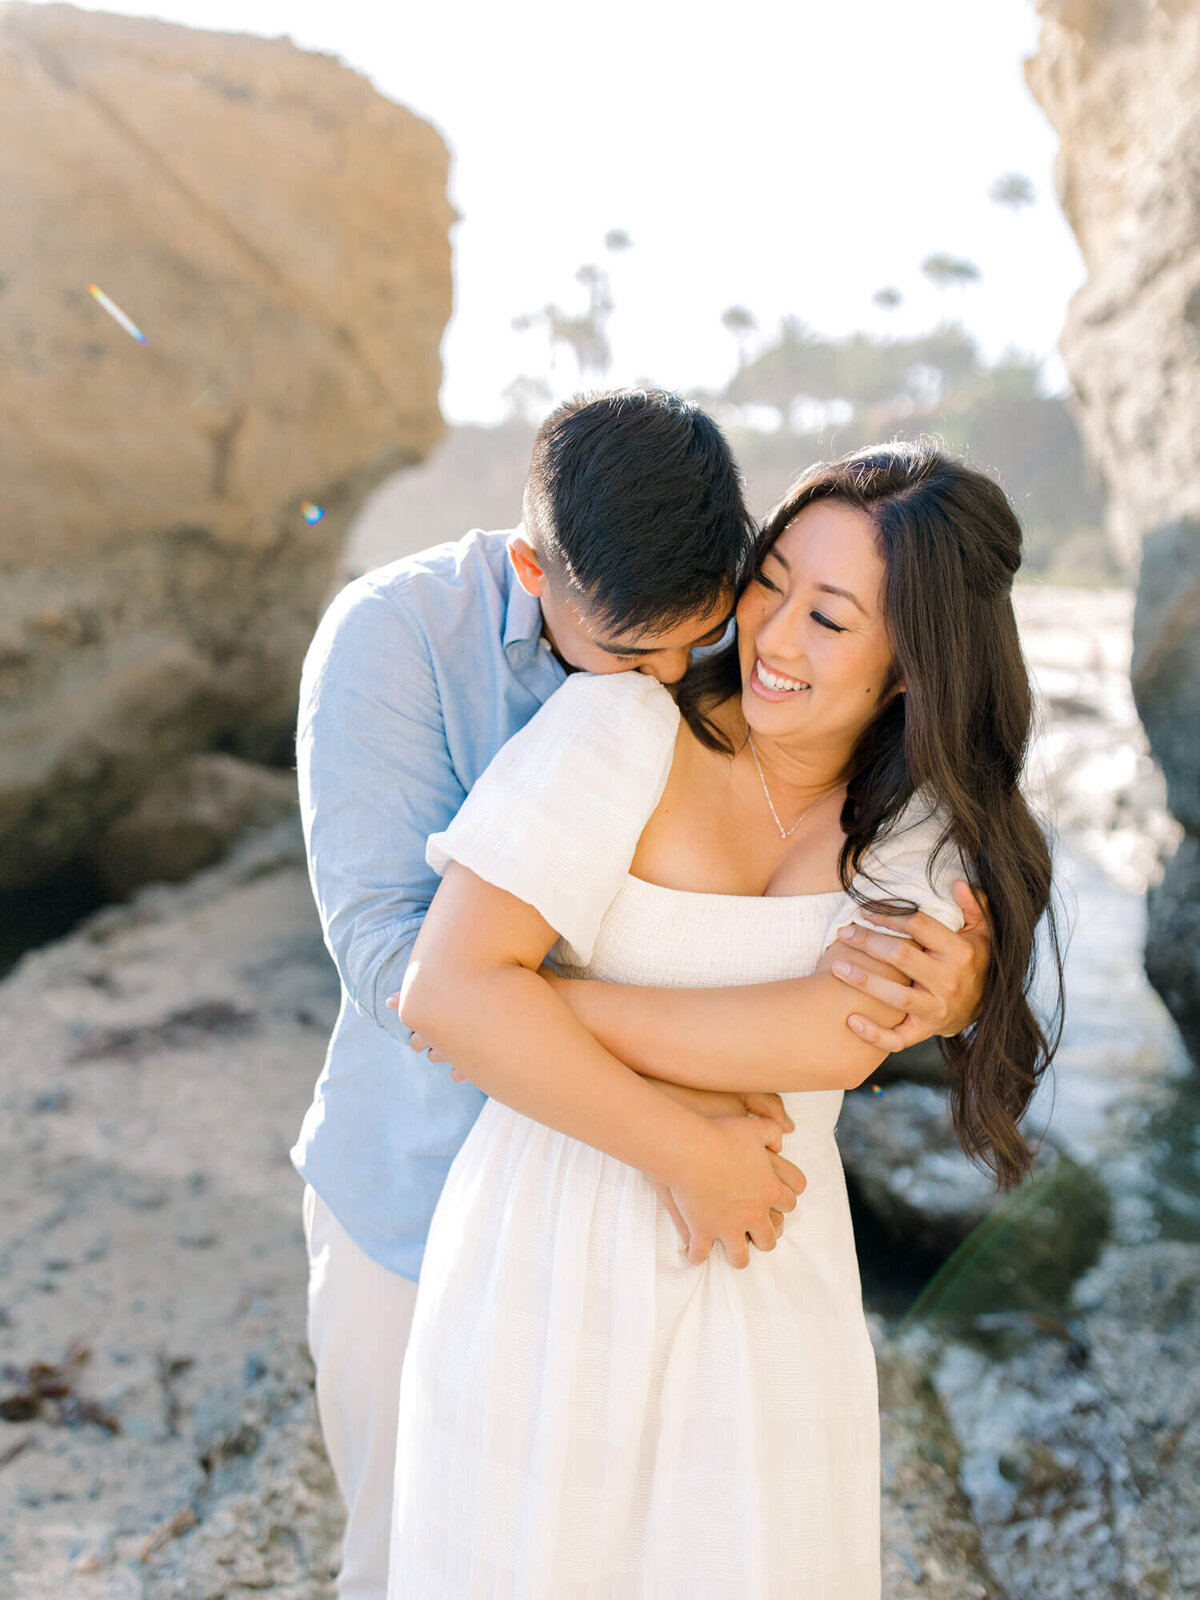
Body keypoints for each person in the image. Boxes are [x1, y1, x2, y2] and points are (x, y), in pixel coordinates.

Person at [293, 392, 989, 1599]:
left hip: (731, 1252)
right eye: (631, 655)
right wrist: (681, 1135)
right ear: (533, 571)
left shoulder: (714, 618)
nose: (683, 676)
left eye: (703, 629)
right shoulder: (393, 641)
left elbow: (863, 855)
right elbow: (407, 972)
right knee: (421, 1553)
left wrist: (957, 978)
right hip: (426, 1198)